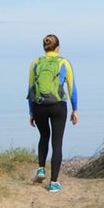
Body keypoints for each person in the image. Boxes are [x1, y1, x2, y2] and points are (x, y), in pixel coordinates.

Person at [27, 34, 79, 192]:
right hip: (58, 106)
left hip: (39, 106)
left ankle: (41, 169)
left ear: (44, 47)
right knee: (57, 143)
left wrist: (31, 112)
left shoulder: (35, 63)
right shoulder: (64, 62)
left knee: (44, 136)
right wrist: (75, 109)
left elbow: (30, 89)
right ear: (58, 48)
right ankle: (54, 183)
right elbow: (72, 89)